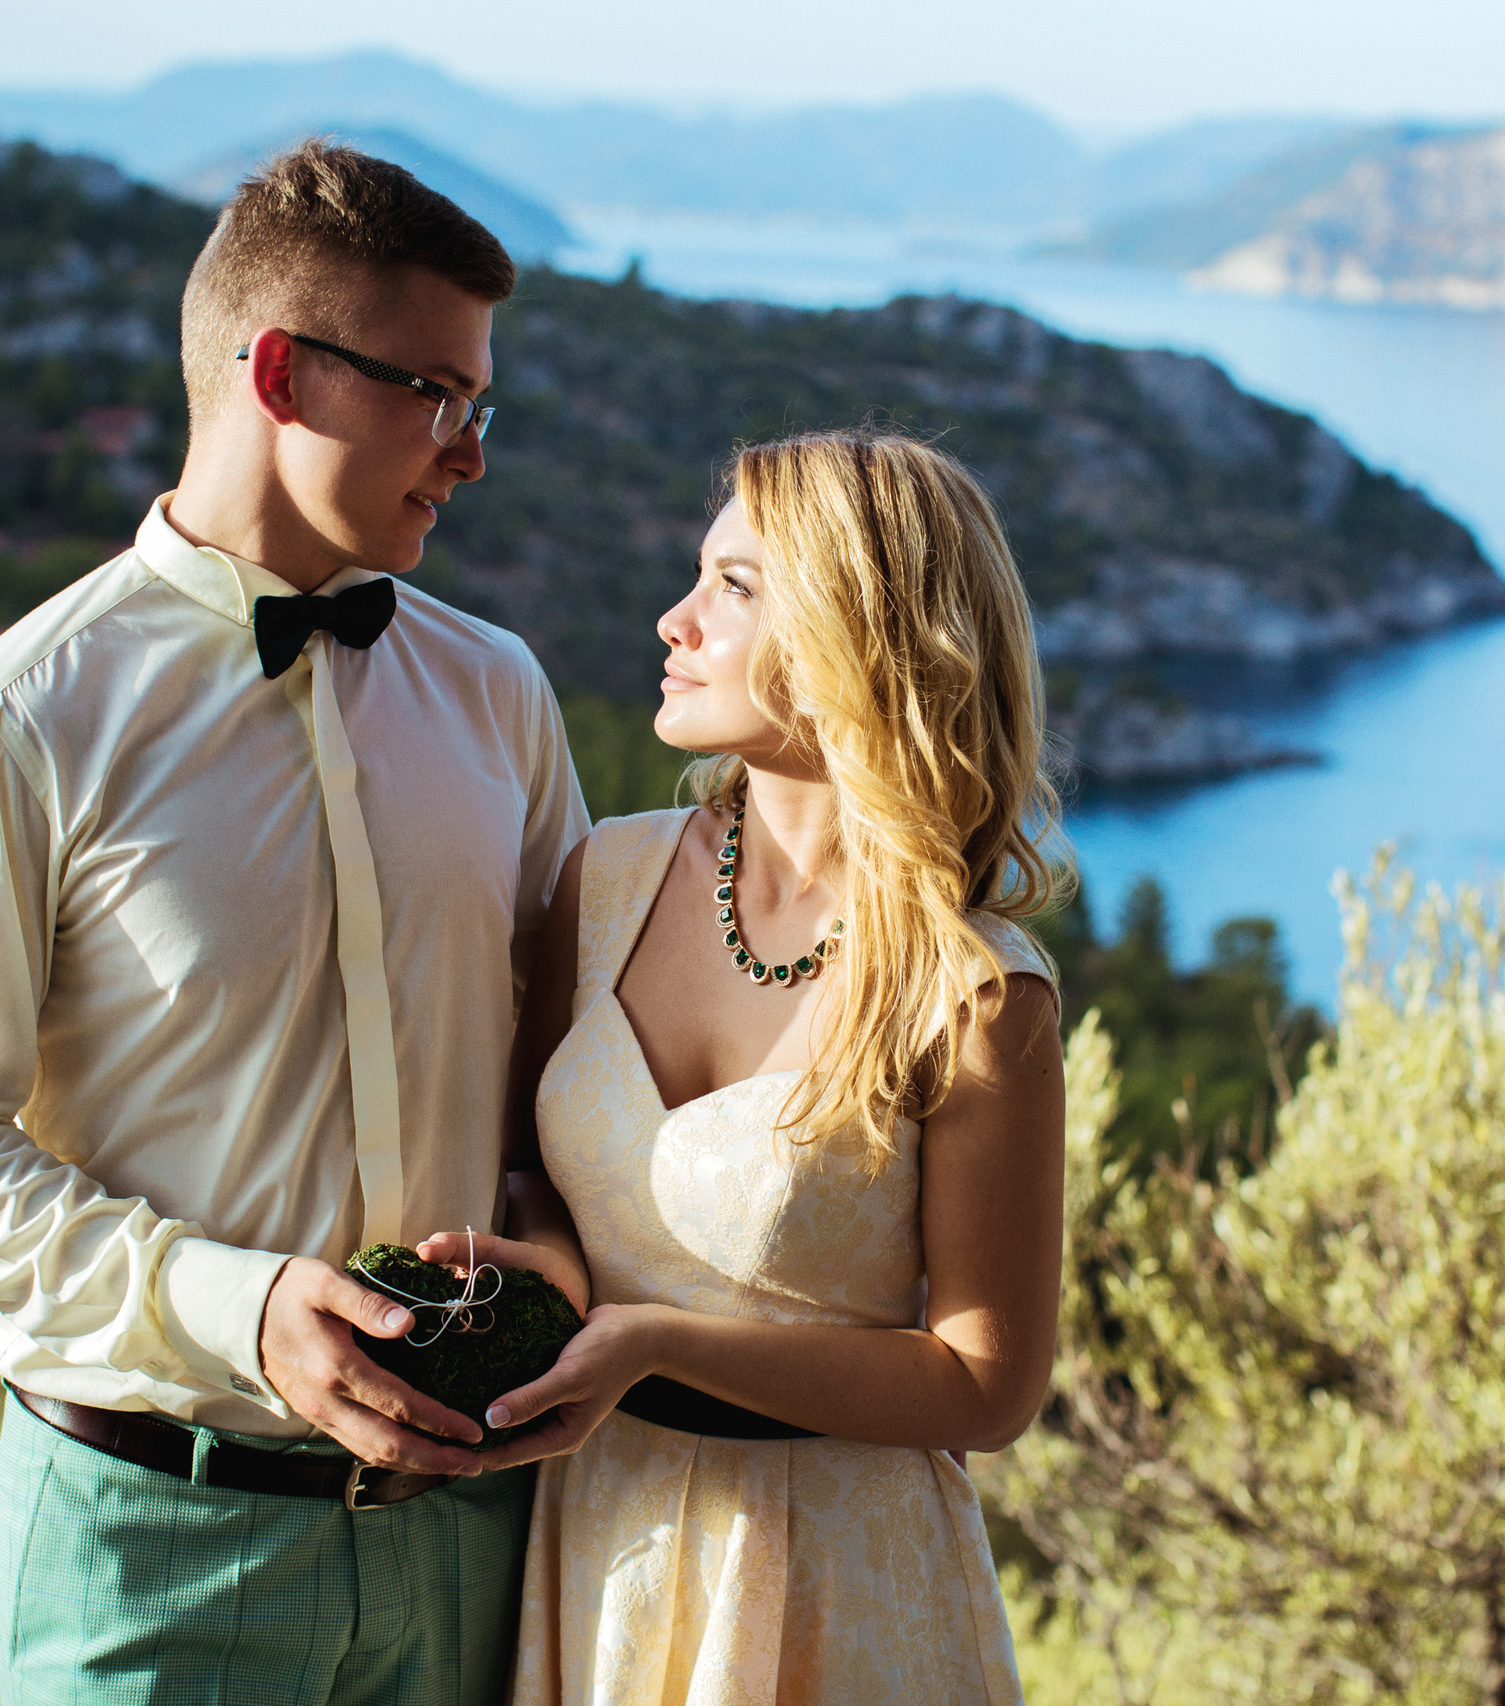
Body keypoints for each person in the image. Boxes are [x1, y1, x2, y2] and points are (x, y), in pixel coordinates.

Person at [0, 141, 589, 1705]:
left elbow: (572, 1067)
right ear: (279, 373)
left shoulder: (500, 695)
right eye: (434, 396)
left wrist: (564, 1264)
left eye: (479, 405)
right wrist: (235, 1306)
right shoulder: (14, 725)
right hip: (151, 1542)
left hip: (478, 1529)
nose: (469, 454)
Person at [428, 431, 1067, 1705]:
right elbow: (527, 1167)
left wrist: (660, 1343)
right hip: (595, 1536)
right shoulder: (605, 876)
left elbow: (988, 1385)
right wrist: (553, 1266)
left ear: (858, 634)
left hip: (836, 1578)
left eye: (733, 585)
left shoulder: (976, 991)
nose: (674, 619)